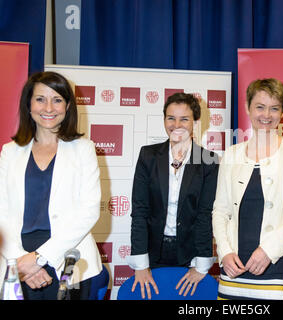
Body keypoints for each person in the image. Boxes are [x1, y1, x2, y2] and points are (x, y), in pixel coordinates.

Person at [0, 71, 102, 300]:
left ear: (67, 106)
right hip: (18, 259)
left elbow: (89, 210)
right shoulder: (9, 152)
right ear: (29, 104)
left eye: (57, 100)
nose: (48, 108)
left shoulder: (84, 149)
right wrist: (19, 262)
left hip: (68, 257)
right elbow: (1, 212)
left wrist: (38, 258)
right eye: (40, 99)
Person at [212, 78, 283, 300]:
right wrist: (225, 253)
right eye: (260, 107)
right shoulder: (231, 154)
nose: (266, 115)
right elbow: (220, 211)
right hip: (233, 268)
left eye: (274, 108)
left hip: (276, 267)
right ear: (248, 108)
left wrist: (269, 251)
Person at [127, 92, 219, 299]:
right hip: (152, 252)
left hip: (189, 253)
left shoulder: (209, 161)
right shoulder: (148, 155)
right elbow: (140, 211)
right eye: (171, 118)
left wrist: (202, 264)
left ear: (195, 121)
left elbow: (205, 215)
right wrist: (141, 264)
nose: (176, 124)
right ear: (164, 120)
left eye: (184, 119)